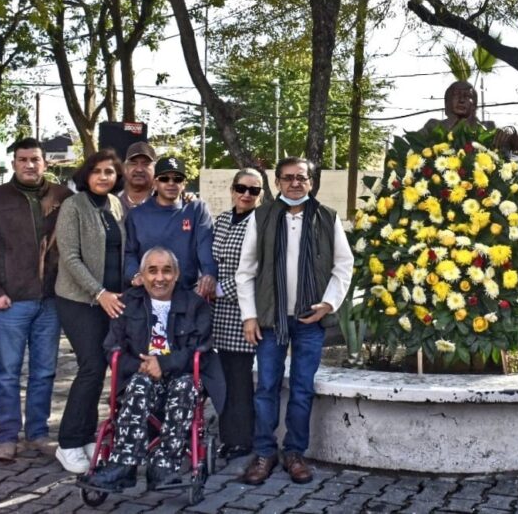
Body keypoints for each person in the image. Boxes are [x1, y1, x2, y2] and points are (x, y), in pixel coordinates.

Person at [237, 157, 352, 485]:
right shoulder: (262, 217)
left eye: (301, 178)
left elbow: (343, 264)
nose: (295, 183)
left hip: (309, 320)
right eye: (288, 178)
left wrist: (328, 303)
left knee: (302, 389)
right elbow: (246, 271)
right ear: (277, 183)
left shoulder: (326, 217)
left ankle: (295, 453)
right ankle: (264, 452)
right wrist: (249, 316)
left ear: (311, 182)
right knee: (267, 388)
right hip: (271, 320)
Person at [81, 248, 225, 492]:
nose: (160, 278)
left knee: (184, 386)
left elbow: (199, 350)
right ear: (143, 275)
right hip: (142, 377)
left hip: (182, 378)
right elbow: (112, 348)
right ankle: (122, 466)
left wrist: (164, 364)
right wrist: (142, 366)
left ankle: (163, 466)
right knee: (138, 383)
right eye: (153, 271)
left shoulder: (195, 305)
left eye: (167, 271)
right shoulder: (127, 303)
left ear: (177, 274)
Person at [0, 137, 73, 462]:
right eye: (23, 159)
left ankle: (38, 434)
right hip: (10, 301)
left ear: (46, 163)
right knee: (8, 372)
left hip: (51, 299)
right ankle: (7, 436)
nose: (30, 165)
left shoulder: (63, 197)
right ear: (14, 163)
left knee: (44, 371)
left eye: (35, 159)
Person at [53, 150, 127, 474]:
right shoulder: (73, 206)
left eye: (109, 172)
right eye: (97, 171)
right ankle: (67, 443)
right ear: (87, 174)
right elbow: (69, 257)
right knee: (91, 367)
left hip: (111, 300)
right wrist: (99, 293)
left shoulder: (114, 204)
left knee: (102, 370)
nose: (103, 177)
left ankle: (85, 436)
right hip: (79, 300)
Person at [211, 168, 265, 461]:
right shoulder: (220, 220)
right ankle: (226, 433)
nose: (246, 194)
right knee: (220, 378)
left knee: (238, 379)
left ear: (260, 195)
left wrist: (219, 290)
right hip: (214, 314)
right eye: (241, 188)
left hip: (241, 312)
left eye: (253, 190)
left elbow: (257, 272)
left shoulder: (261, 223)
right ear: (232, 190)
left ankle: (240, 439)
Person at [124, 156, 216, 298]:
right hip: (148, 294)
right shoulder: (137, 215)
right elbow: (129, 252)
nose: (171, 183)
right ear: (155, 183)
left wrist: (209, 274)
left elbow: (205, 247)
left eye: (177, 179)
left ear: (184, 184)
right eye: (164, 179)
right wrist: (135, 275)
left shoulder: (196, 209)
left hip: (187, 293)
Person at [420, 80, 518, 153]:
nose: (461, 100)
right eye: (456, 95)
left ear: (474, 105)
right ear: (447, 102)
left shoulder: (488, 128)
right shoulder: (434, 126)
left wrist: (512, 130)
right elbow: (410, 147)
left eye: (467, 96)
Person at [118, 142, 156, 212]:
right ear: (124, 168)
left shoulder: (163, 201)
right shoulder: (111, 202)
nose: (139, 169)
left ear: (155, 169)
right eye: (133, 164)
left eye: (146, 164)